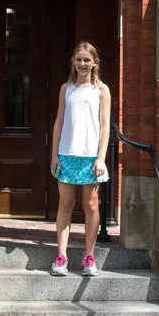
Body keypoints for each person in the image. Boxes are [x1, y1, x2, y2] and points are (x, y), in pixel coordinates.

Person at [50, 41, 111, 276]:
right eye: (79, 59)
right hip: (67, 154)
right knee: (65, 205)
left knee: (91, 205)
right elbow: (59, 122)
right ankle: (62, 257)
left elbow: (105, 126)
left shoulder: (101, 90)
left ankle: (89, 257)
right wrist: (54, 155)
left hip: (90, 157)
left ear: (95, 62)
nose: (82, 64)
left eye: (87, 59)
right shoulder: (66, 88)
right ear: (73, 62)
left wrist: (101, 158)